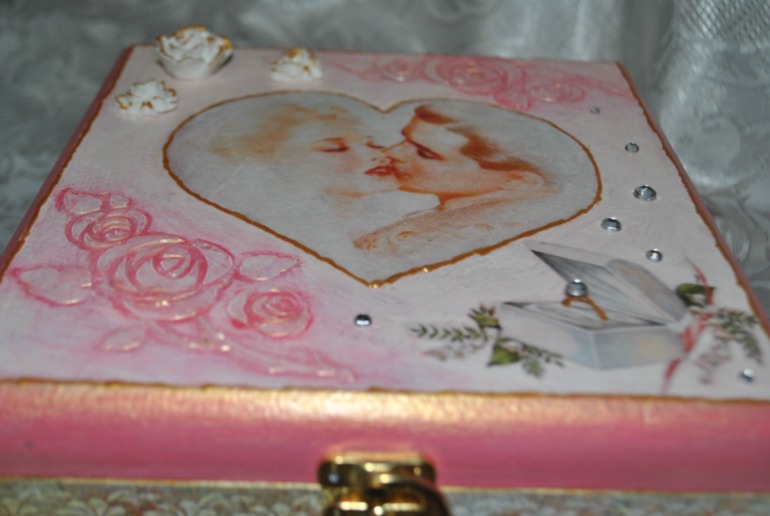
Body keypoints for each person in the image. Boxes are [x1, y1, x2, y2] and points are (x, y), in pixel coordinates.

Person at [165, 92, 597, 282]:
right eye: (403, 139)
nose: (390, 153)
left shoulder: (488, 227)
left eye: (424, 153)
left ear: (519, 179)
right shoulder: (423, 219)